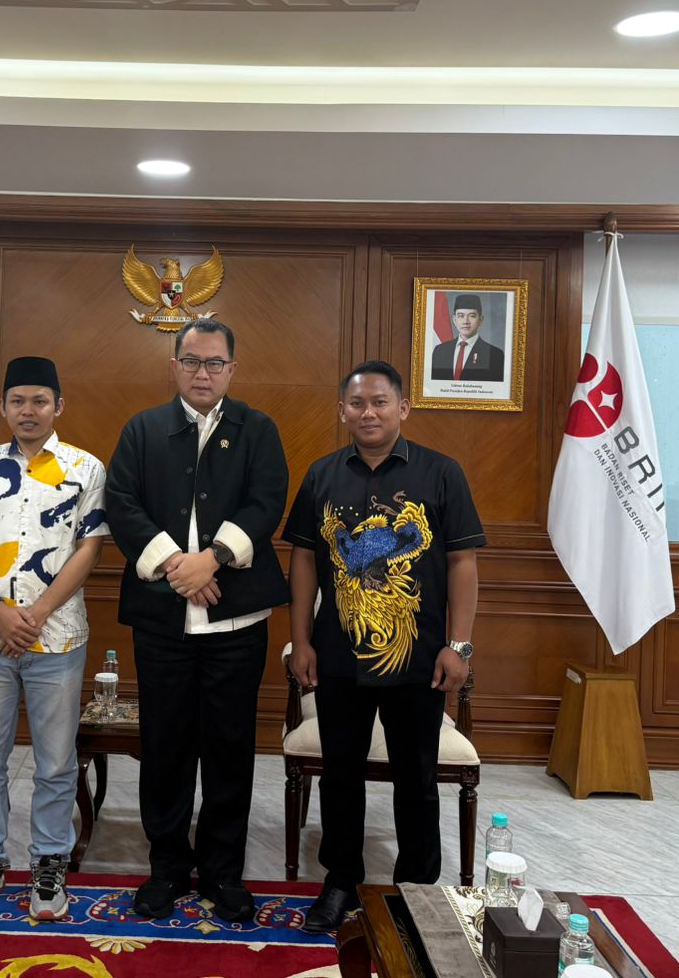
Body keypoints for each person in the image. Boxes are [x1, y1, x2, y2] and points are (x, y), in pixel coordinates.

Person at [284, 360, 484, 934]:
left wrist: (459, 646)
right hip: (338, 656)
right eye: (356, 403)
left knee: (417, 778)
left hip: (419, 659)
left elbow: (462, 562)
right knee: (340, 774)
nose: (367, 412)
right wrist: (300, 640)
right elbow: (304, 559)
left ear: (403, 408)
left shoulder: (441, 473)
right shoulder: (321, 475)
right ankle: (341, 879)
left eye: (379, 402)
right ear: (342, 411)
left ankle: (415, 888)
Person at [105, 319, 289, 923]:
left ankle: (223, 871)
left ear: (232, 369)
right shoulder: (143, 429)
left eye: (214, 363)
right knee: (165, 746)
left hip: (237, 621)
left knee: (230, 748)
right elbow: (121, 503)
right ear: (174, 366)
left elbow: (267, 501)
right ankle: (166, 867)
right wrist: (175, 565)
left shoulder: (257, 429)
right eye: (191, 361)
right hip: (162, 622)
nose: (202, 373)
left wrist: (212, 558)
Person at [0, 357, 108, 921]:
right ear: (3, 407)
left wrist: (33, 614)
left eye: (40, 400)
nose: (28, 410)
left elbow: (89, 549)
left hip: (56, 638)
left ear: (58, 406)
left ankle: (49, 863)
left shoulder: (85, 468)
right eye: (18, 401)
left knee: (56, 762)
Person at [430, 294, 505, 381]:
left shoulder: (495, 355)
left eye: (472, 316)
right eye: (461, 316)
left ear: (480, 320)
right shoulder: (439, 351)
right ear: (454, 320)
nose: (466, 321)